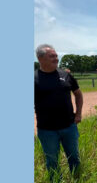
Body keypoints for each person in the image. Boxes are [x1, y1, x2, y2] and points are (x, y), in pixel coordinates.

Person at [34, 44, 83, 181]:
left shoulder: (66, 75)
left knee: (74, 158)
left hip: (69, 127)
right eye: (52, 56)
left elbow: (78, 94)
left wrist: (78, 114)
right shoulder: (33, 79)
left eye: (56, 55)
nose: (56, 58)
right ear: (40, 58)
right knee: (52, 162)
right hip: (47, 130)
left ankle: (77, 179)